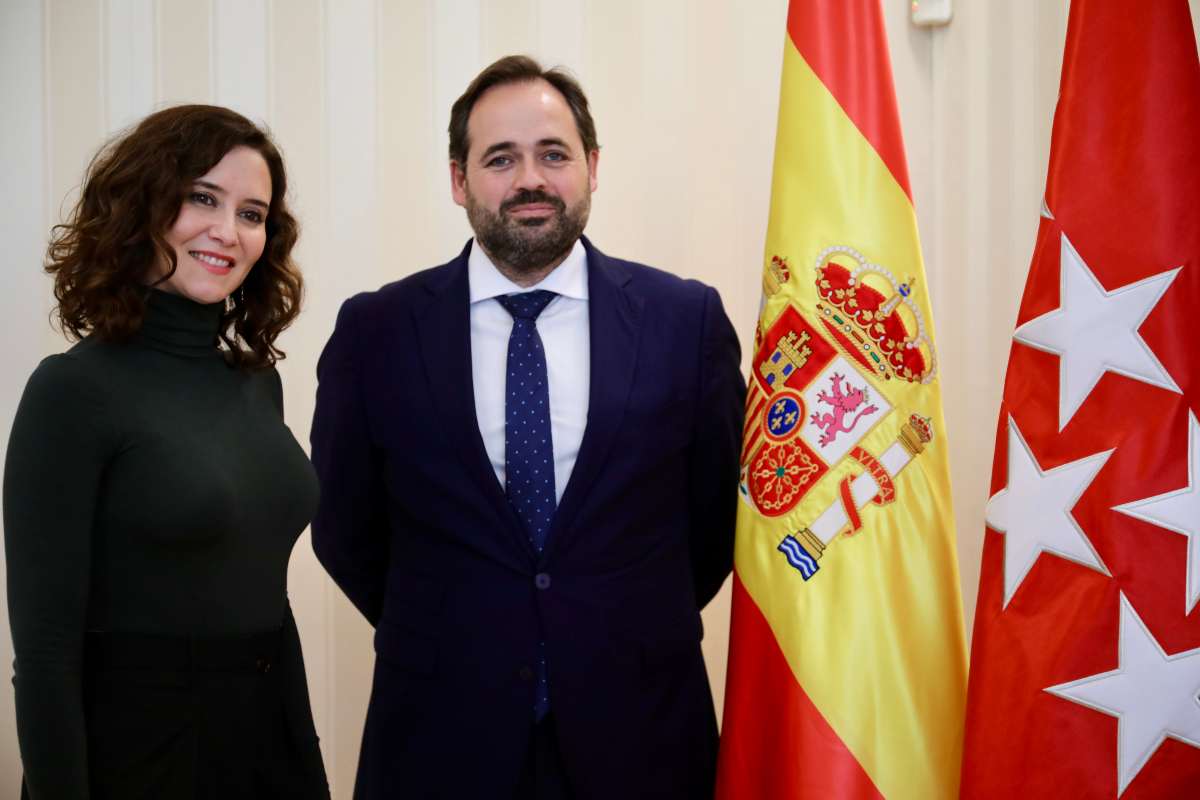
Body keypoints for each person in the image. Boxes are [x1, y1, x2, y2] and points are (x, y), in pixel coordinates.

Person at [311, 55, 745, 799]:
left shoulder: (685, 321)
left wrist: (612, 618)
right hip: (439, 738)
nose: (530, 181)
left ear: (592, 167)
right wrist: (464, 621)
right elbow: (346, 528)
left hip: (641, 735)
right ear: (458, 180)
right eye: (500, 159)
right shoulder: (376, 331)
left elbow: (715, 524)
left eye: (553, 154)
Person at [3, 105, 329, 800]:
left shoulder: (256, 383)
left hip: (267, 748)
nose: (227, 230)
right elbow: (46, 652)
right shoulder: (73, 390)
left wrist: (306, 761)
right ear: (143, 205)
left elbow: (267, 601)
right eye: (202, 198)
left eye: (252, 212)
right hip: (139, 758)